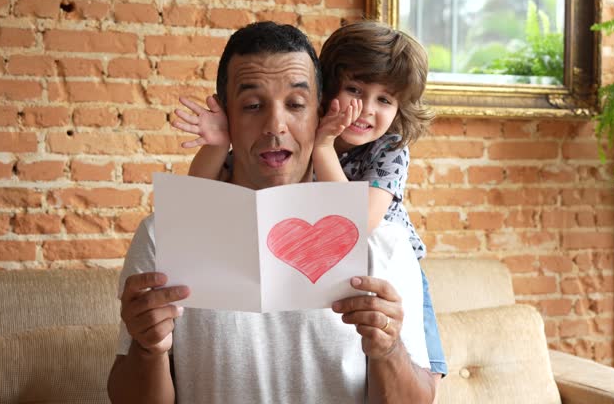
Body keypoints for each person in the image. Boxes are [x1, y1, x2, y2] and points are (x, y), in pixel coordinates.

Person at [107, 22, 440, 403]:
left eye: (296, 105)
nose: (275, 125)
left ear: (322, 113)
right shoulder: (163, 235)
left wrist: (388, 349)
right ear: (225, 116)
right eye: (251, 106)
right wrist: (148, 348)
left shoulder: (384, 239)